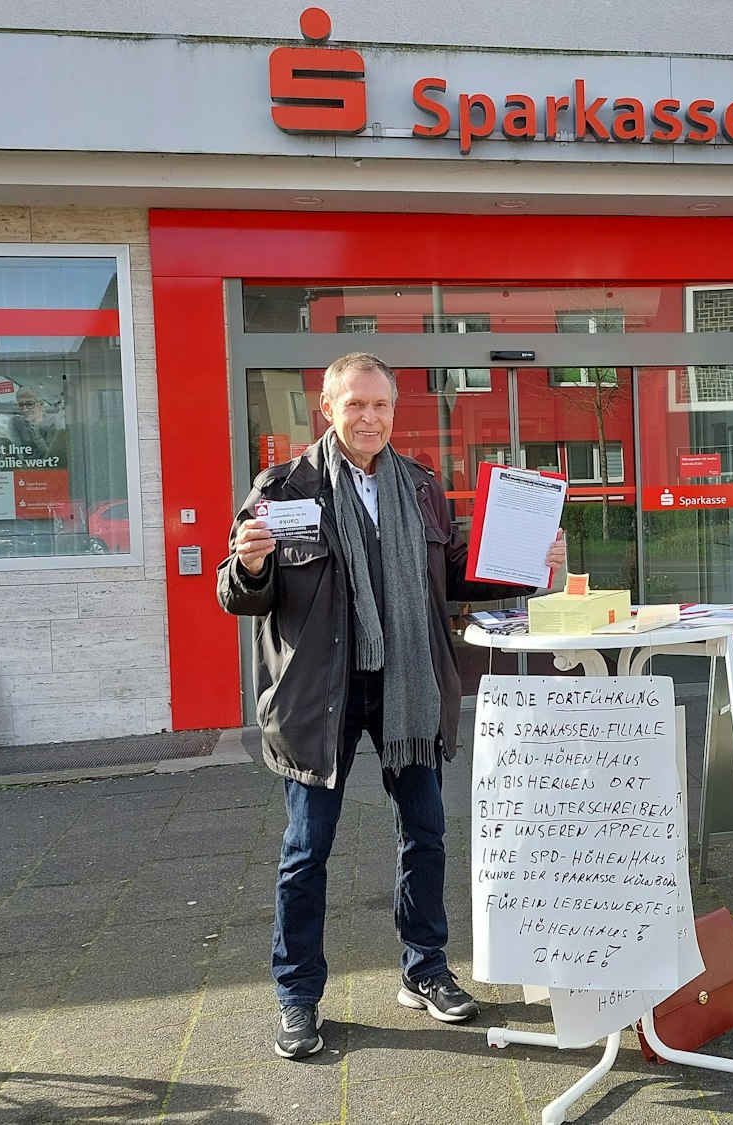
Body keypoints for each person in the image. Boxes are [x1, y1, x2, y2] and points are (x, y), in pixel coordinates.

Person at [217, 352, 567, 1061]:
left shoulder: (419, 486)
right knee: (307, 848)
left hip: (408, 687)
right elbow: (240, 592)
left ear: (394, 411)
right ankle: (297, 995)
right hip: (320, 695)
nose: (368, 417)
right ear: (327, 408)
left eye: (380, 405)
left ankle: (425, 969)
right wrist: (250, 564)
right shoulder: (284, 487)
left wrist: (535, 560)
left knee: (427, 830)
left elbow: (456, 572)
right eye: (355, 405)